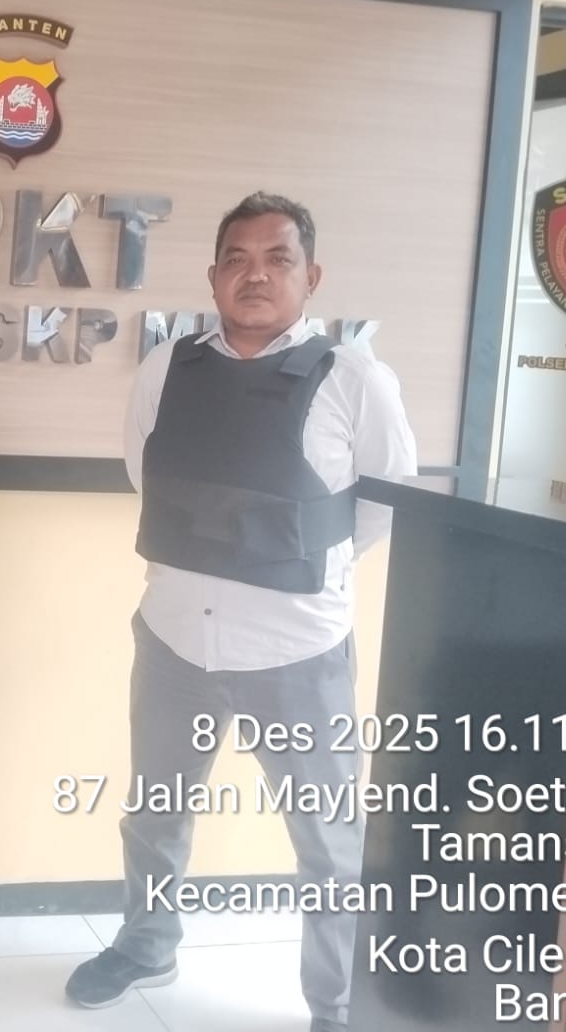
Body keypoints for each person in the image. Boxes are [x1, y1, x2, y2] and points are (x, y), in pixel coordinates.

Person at [64, 192, 417, 1032]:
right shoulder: (166, 368)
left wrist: (301, 573)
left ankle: (336, 1007)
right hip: (174, 642)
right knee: (155, 814)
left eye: (277, 259)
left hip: (298, 655)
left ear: (311, 276)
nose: (255, 275)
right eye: (237, 259)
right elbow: (146, 475)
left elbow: (383, 506)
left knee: (327, 843)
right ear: (214, 274)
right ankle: (147, 944)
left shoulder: (355, 379)